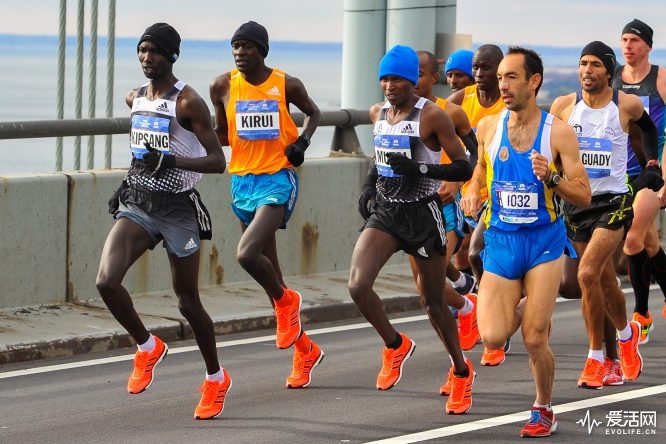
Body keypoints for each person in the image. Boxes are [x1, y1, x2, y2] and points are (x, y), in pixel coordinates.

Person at [95, 23, 230, 420]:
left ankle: (215, 377)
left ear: (171, 56)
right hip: (138, 201)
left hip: (178, 209)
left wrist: (171, 160)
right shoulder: (134, 97)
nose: (146, 58)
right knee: (106, 281)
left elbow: (217, 162)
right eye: (141, 51)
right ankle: (147, 346)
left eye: (154, 52)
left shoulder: (188, 102)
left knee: (187, 302)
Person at [461, 47, 591, 438]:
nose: (502, 84)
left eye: (511, 77)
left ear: (533, 81)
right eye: (500, 76)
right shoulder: (488, 128)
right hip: (501, 240)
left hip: (544, 242)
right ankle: (526, 301)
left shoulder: (558, 132)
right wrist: (471, 191)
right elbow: (479, 171)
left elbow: (583, 194)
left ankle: (543, 408)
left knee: (534, 336)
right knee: (493, 337)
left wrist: (551, 178)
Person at [351, 44, 475, 415]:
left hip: (423, 215)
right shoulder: (379, 113)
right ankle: (395, 345)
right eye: (384, 79)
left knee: (433, 302)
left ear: (412, 81)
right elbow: (381, 157)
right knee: (357, 285)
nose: (390, 85)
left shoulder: (432, 116)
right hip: (387, 213)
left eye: (398, 79)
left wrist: (421, 170)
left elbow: (463, 167)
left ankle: (461, 370)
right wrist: (368, 187)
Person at [208, 21, 323, 390]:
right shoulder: (221, 86)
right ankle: (305, 351)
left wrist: (302, 142)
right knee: (271, 274)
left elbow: (315, 113)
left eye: (247, 46)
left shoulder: (286, 84)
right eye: (235, 46)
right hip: (242, 182)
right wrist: (186, 134)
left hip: (277, 178)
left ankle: (288, 302)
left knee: (245, 254)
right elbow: (223, 135)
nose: (240, 52)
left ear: (262, 50)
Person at [551, 41, 662, 390]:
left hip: (614, 202)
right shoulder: (564, 106)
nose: (588, 70)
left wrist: (651, 164)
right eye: (583, 62)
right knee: (602, 280)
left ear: (609, 71)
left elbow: (649, 130)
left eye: (596, 64)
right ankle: (626, 336)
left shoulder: (625, 105)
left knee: (586, 274)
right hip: (577, 203)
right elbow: (551, 145)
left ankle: (597, 357)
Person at [414, 50, 480, 386]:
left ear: (431, 77)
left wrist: (455, 181)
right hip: (411, 207)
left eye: (420, 74)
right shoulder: (394, 113)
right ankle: (467, 301)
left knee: (431, 287)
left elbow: (474, 150)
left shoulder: (448, 110)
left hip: (445, 205)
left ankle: (459, 368)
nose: (413, 81)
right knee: (425, 288)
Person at [449, 44, 508, 366]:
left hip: (499, 195)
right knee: (461, 255)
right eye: (477, 68)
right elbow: (449, 144)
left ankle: (493, 319)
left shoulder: (507, 104)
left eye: (487, 69)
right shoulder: (461, 100)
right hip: (467, 192)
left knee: (477, 254)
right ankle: (471, 302)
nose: (480, 74)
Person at [612, 19, 666, 342]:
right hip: (620, 175)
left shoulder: (659, 78)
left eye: (634, 40)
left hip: (651, 172)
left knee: (633, 240)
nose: (628, 46)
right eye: (624, 40)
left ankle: (641, 315)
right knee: (649, 243)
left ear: (647, 45)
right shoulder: (614, 79)